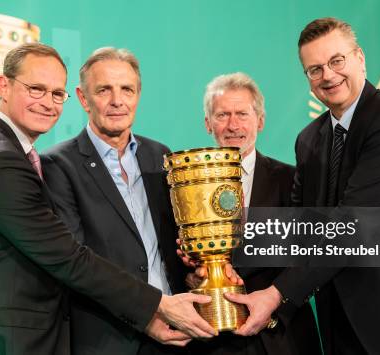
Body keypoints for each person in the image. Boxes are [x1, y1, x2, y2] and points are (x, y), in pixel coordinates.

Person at [224, 17, 380, 354]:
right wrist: (228, 259)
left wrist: (275, 294)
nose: (328, 75)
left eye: (336, 61)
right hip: (343, 324)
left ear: (359, 57)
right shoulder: (309, 140)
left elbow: (354, 224)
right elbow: (303, 230)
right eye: (314, 69)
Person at [0, 43, 216, 355]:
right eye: (35, 89)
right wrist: (156, 306)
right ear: (3, 86)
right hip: (24, 337)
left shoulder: (159, 155)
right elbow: (69, 258)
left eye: (56, 94)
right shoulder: (1, 160)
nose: (47, 102)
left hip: (164, 333)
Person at [41, 47, 239, 355]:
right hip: (110, 338)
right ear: (83, 98)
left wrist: (192, 272)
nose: (117, 101)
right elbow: (75, 265)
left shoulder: (160, 156)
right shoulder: (59, 165)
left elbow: (168, 245)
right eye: (104, 90)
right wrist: (148, 315)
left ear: (138, 94)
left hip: (178, 335)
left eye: (127, 90)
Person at [183, 72, 321, 355]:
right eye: (222, 115)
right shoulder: (187, 186)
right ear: (208, 124)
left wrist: (274, 308)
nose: (233, 125)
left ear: (260, 121)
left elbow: (311, 257)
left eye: (242, 114)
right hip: (212, 339)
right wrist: (191, 276)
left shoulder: (293, 181)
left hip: (282, 337)